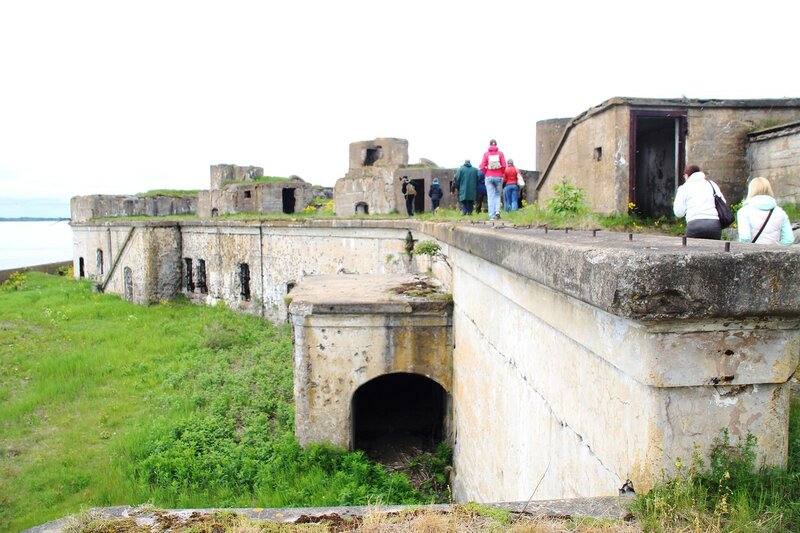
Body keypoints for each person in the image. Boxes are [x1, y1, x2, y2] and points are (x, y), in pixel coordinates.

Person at [673, 165, 726, 240]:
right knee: (714, 250)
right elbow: (723, 202)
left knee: (694, 250)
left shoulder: (684, 188)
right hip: (714, 225)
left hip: (694, 226)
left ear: (687, 176)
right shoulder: (711, 184)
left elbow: (678, 213)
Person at [736, 177, 793, 245]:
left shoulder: (744, 211)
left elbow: (745, 238)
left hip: (752, 253)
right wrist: (777, 249)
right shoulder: (780, 212)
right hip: (775, 254)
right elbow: (789, 239)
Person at [479, 139, 506, 220]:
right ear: (496, 145)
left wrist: (486, 173)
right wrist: (501, 172)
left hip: (489, 176)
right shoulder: (500, 154)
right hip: (499, 177)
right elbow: (504, 165)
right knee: (497, 195)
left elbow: (482, 167)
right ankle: (497, 211)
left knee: (490, 196)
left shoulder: (486, 154)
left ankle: (492, 216)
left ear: (489, 144)